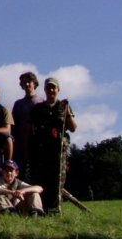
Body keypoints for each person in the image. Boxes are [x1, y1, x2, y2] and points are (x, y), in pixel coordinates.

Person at [29, 77, 77, 214]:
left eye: (53, 87)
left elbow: (73, 128)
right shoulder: (38, 108)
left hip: (58, 149)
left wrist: (68, 114)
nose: (51, 90)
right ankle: (41, 208)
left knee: (57, 180)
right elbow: (31, 129)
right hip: (41, 149)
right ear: (44, 90)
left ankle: (55, 208)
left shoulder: (63, 106)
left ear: (58, 89)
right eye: (48, 87)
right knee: (41, 178)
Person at [12, 72, 44, 176]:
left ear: (34, 83)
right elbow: (13, 125)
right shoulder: (18, 104)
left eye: (28, 82)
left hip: (37, 143)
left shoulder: (42, 102)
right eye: (24, 82)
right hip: (21, 143)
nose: (26, 84)